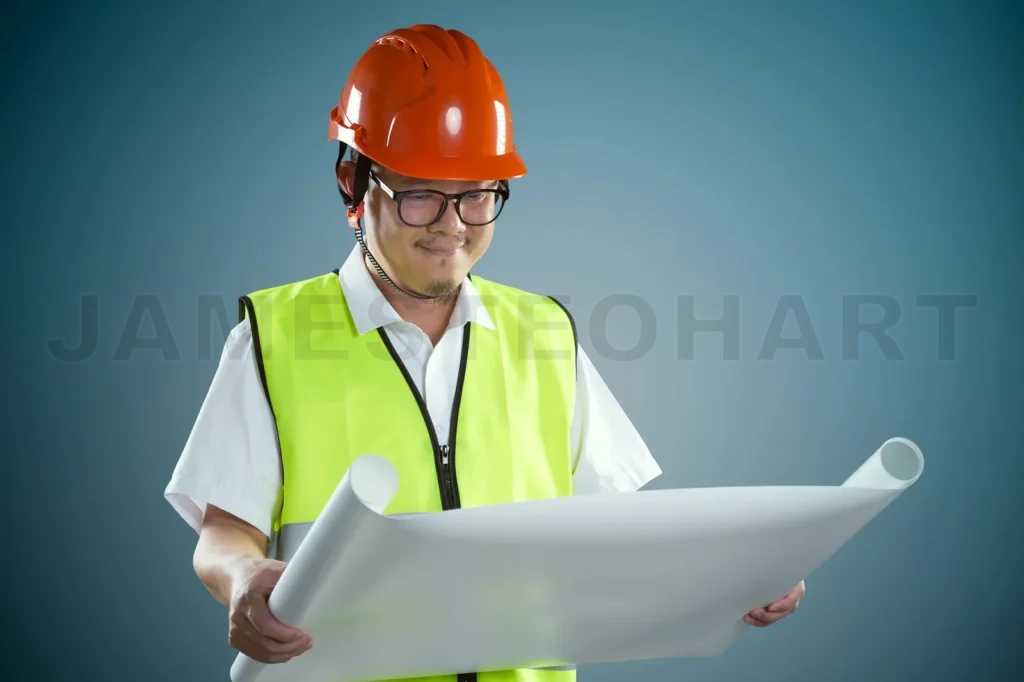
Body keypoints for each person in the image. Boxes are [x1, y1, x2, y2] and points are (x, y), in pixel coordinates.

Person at [164, 23, 804, 682]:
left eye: (477, 195)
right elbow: (223, 535)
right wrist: (242, 577)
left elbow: (622, 533)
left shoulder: (545, 334)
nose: (453, 225)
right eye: (421, 195)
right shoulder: (274, 338)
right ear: (352, 181)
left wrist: (734, 578)